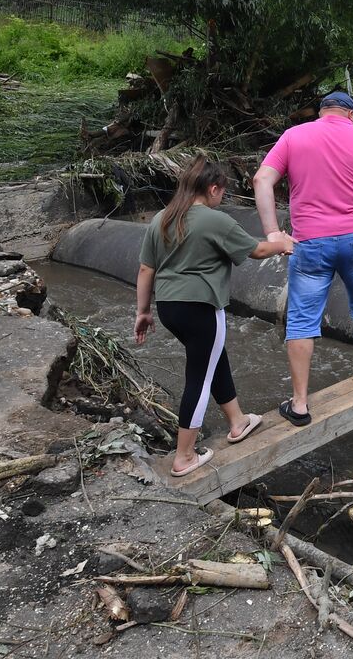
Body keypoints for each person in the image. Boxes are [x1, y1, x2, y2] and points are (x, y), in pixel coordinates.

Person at [253, 91, 353, 427]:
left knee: (302, 321)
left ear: (322, 113)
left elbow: (262, 179)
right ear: (352, 115)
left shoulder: (294, 136)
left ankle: (299, 405)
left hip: (310, 242)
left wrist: (273, 233)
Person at [135, 157, 294, 476]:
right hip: (202, 306)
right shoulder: (213, 220)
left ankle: (237, 422)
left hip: (169, 307)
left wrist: (142, 311)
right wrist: (284, 243)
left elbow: (145, 268)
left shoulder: (162, 219)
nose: (222, 199)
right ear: (212, 188)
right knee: (200, 377)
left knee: (212, 357)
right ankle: (184, 457)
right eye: (221, 192)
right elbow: (257, 250)